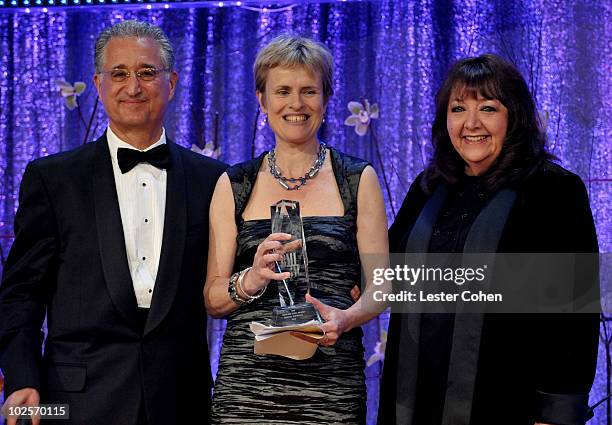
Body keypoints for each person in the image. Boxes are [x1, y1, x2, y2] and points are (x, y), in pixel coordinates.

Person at [0, 20, 226, 425]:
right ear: (99, 84)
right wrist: (22, 377)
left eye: (146, 73)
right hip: (74, 403)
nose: (133, 87)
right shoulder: (53, 179)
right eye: (119, 74)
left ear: (171, 83)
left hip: (181, 400)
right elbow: (21, 293)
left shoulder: (213, 180)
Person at [379, 54, 600, 425]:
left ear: (514, 115)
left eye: (488, 108)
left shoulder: (554, 191)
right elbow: (386, 269)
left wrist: (555, 413)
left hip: (506, 400)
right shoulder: (428, 187)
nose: (471, 123)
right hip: (414, 397)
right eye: (458, 108)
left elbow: (577, 313)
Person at [205, 35, 388, 424]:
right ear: (262, 100)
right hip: (247, 391)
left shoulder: (357, 179)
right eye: (282, 91)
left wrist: (346, 318)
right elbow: (213, 298)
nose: (296, 104)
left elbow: (382, 287)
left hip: (331, 385)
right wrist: (251, 279)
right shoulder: (233, 184)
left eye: (309, 91)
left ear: (326, 98)